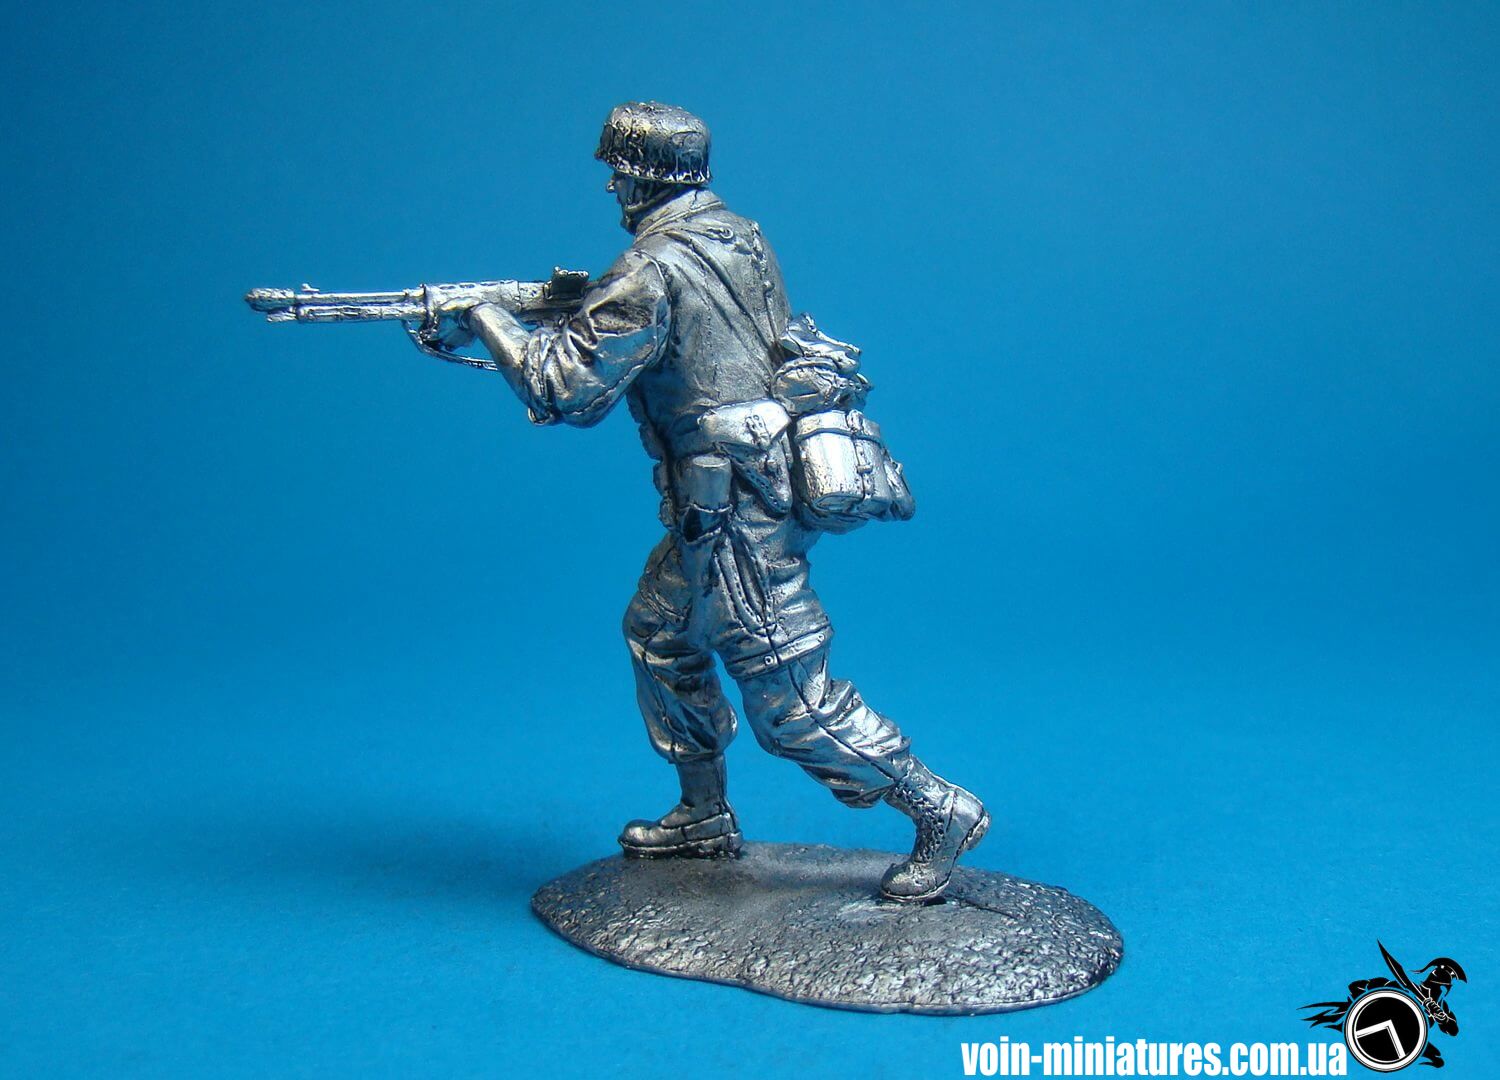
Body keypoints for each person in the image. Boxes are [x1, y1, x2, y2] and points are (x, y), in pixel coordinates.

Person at [444, 102, 987, 902]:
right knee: (662, 636)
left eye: (618, 173)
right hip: (725, 500)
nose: (611, 187)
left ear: (643, 179)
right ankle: (703, 813)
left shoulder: (646, 270)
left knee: (791, 703)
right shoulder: (737, 236)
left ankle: (939, 809)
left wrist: (486, 318)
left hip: (736, 513)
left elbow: (566, 390)